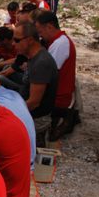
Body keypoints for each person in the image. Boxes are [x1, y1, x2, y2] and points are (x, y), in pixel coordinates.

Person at [34, 10, 78, 138]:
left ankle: (62, 118)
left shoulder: (60, 44)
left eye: (40, 32)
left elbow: (48, 74)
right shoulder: (57, 42)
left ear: (49, 27)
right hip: (57, 92)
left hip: (58, 96)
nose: (40, 36)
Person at [13, 22, 59, 137]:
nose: (13, 44)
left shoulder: (41, 63)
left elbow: (33, 102)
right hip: (29, 112)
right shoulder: (33, 57)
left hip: (36, 118)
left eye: (17, 40)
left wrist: (10, 113)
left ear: (29, 40)